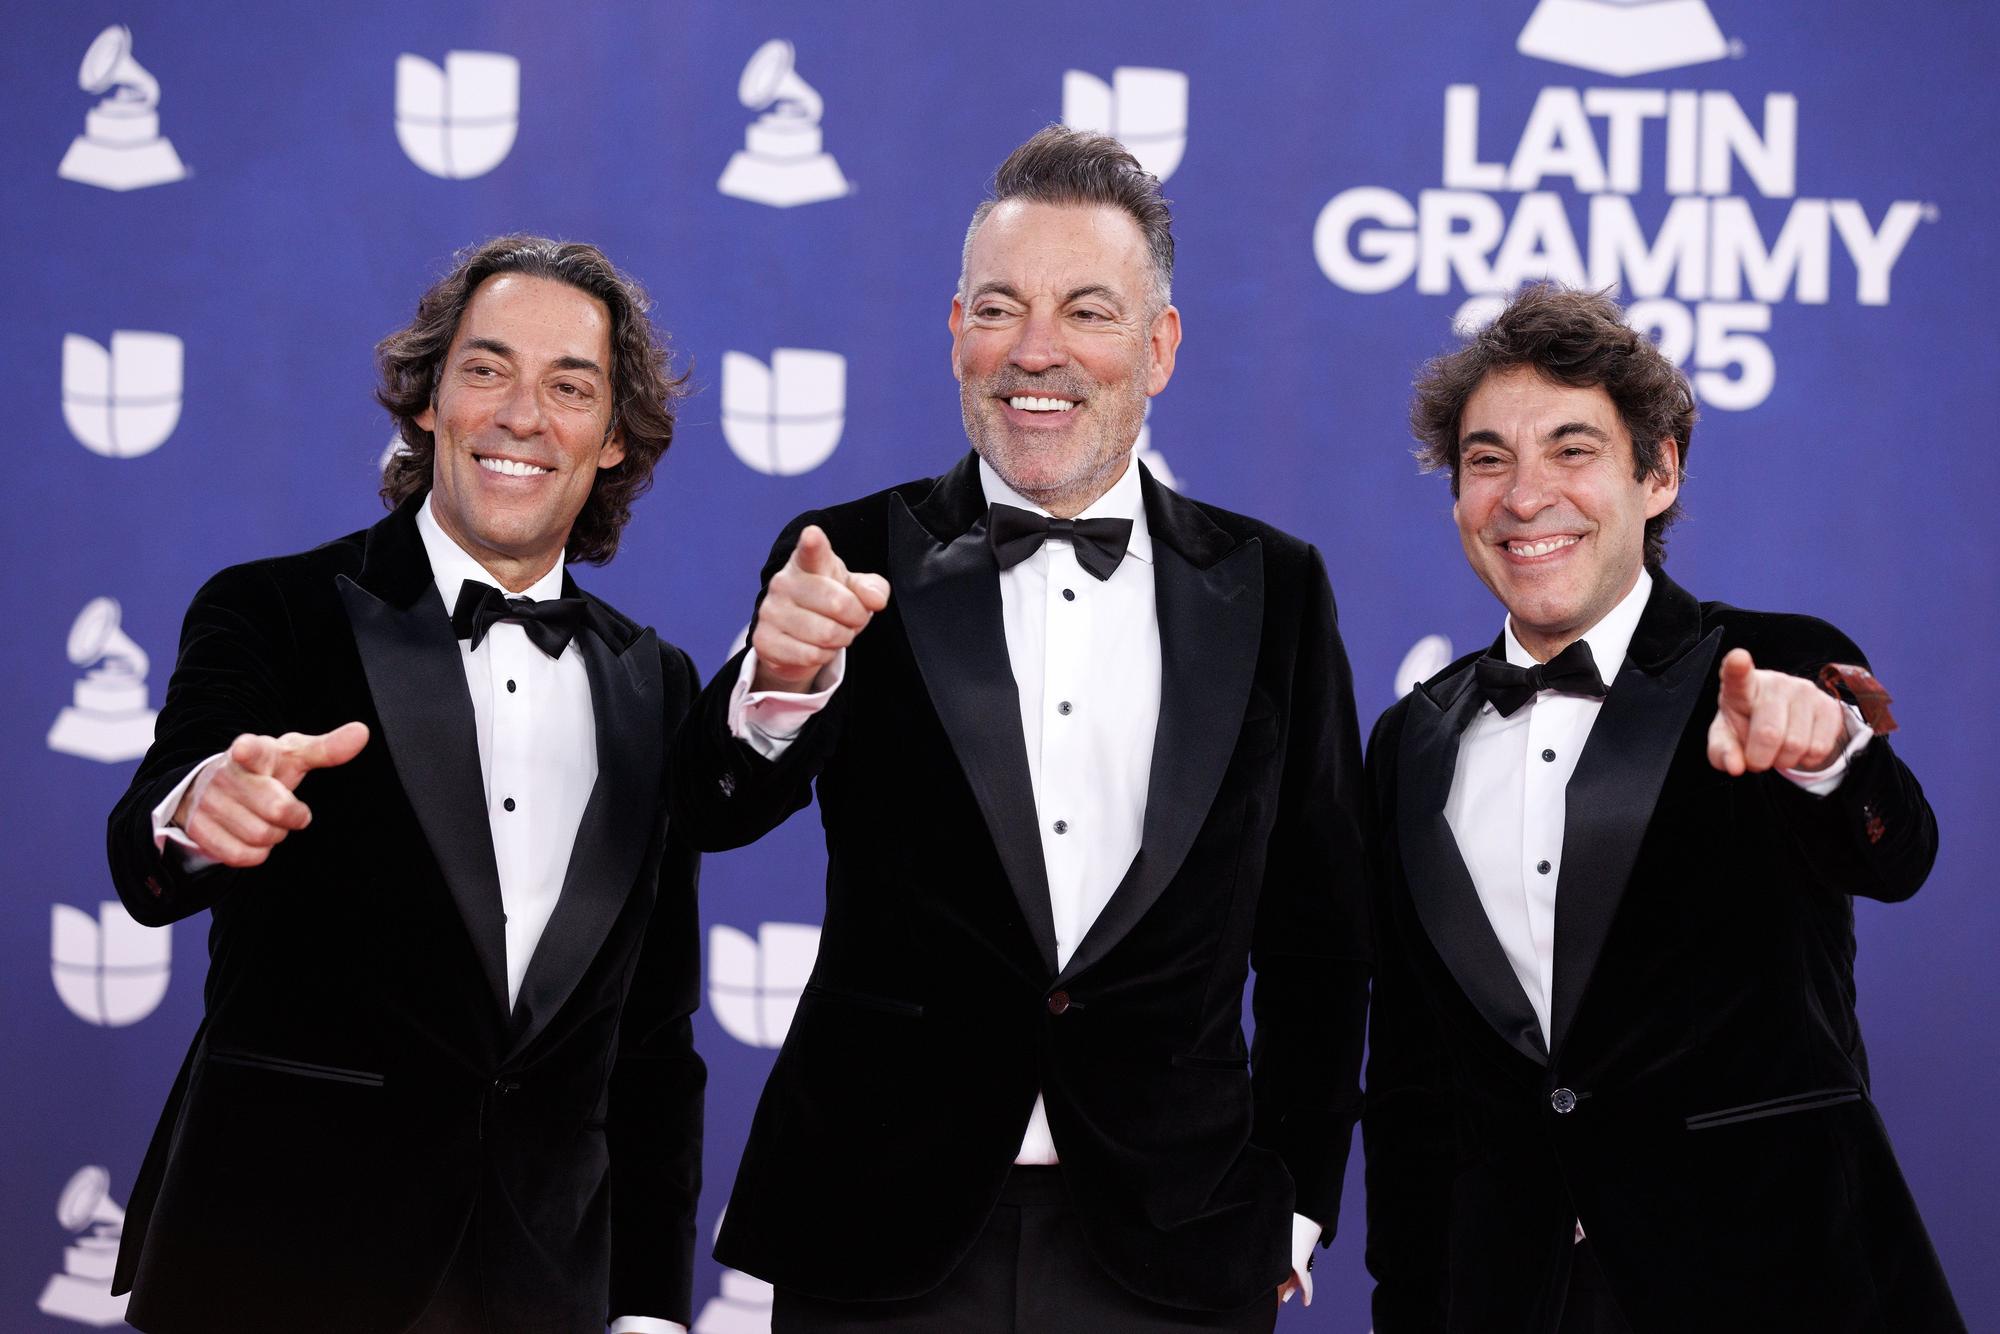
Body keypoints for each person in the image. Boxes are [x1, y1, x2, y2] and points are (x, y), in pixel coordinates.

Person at [669, 125, 1369, 1333]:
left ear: (1157, 348)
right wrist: (777, 680)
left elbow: (1318, 931)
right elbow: (708, 807)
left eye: (1086, 311)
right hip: (880, 1223)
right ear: (954, 334)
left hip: (1179, 1235)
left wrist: (1297, 1198)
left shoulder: (1276, 586)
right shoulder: (844, 552)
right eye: (999, 307)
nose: (1033, 351)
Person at [105, 235, 706, 1334]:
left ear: (614, 438)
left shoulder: (657, 684)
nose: (522, 414)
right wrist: (200, 809)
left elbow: (653, 1036)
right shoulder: (275, 610)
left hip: (542, 1291)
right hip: (274, 1266)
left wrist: (651, 1307)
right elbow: (153, 842)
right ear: (428, 401)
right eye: (485, 369)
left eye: (569, 386)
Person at [1362, 283, 1963, 1333]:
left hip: (1771, 1279)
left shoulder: (1765, 660)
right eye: (1487, 458)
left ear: (1658, 470)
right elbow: (1413, 1081)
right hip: (1511, 1295)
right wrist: (1408, 1301)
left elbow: (1898, 852)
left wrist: (1829, 751)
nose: (1523, 494)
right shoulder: (1411, 738)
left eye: (1571, 450)